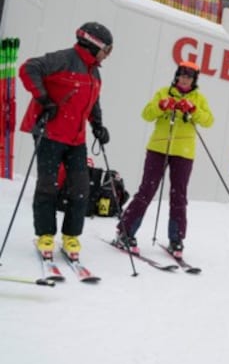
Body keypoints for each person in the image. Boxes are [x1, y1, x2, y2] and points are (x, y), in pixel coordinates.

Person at [19, 21, 113, 260]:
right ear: (93, 44)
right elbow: (28, 68)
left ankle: (71, 236)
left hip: (76, 138)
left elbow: (93, 102)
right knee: (48, 185)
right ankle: (45, 235)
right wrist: (44, 99)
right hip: (50, 133)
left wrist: (98, 125)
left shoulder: (95, 72)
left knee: (81, 188)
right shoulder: (63, 59)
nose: (107, 54)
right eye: (107, 49)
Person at [113, 61, 214, 258]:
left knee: (179, 196)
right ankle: (125, 232)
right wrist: (161, 106)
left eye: (189, 77)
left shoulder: (199, 98)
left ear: (194, 81)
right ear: (177, 76)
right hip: (158, 148)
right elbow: (146, 114)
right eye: (182, 76)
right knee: (147, 191)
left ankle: (176, 239)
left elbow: (209, 120)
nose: (184, 80)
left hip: (184, 153)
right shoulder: (163, 92)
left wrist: (193, 110)